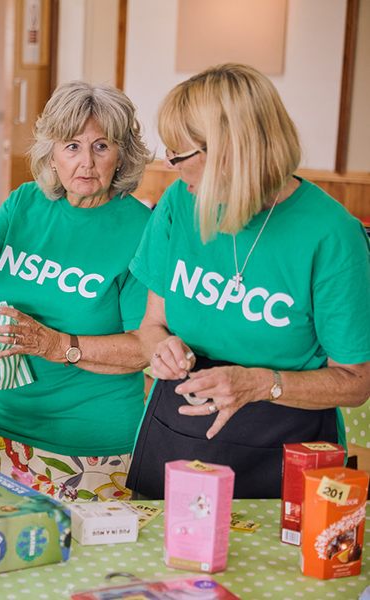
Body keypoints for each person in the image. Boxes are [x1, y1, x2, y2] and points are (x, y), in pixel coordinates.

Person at [126, 63, 370, 499]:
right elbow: (151, 324)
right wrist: (159, 349)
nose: (171, 166)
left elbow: (355, 381)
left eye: (180, 155)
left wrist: (259, 383)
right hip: (177, 427)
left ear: (228, 151)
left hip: (284, 443)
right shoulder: (179, 204)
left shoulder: (331, 234)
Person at [0, 81, 154, 502]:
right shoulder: (25, 204)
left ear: (122, 154)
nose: (86, 163)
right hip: (0, 429)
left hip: (90, 447)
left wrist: (57, 345)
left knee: (83, 567)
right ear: (51, 153)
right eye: (72, 146)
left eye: (101, 146)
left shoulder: (142, 231)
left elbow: (144, 349)